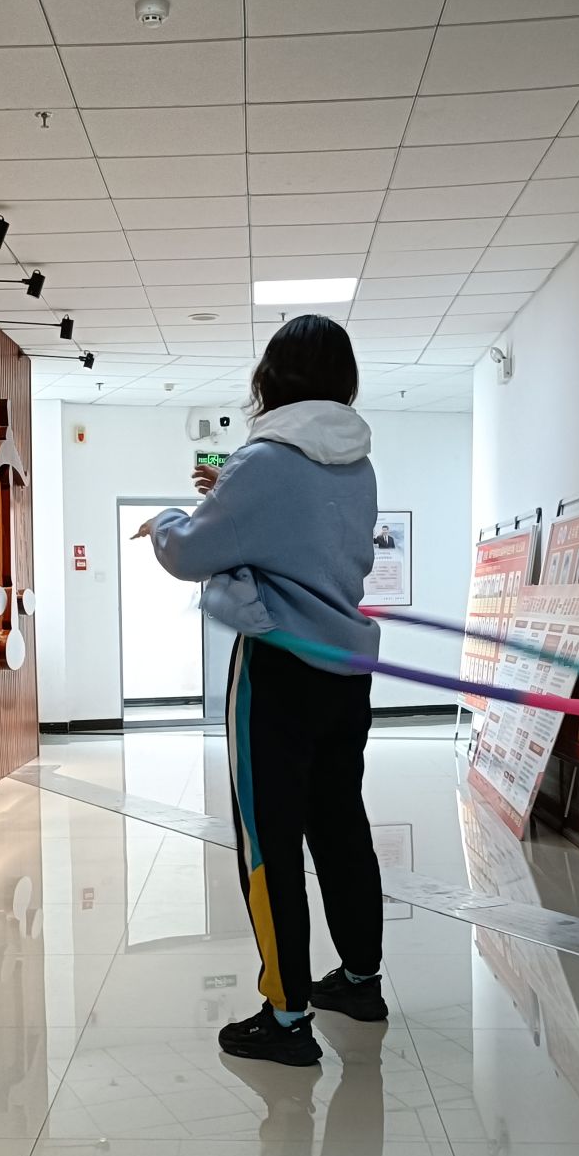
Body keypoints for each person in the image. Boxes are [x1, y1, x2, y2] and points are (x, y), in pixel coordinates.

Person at [131, 314, 388, 1066]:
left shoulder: (264, 460)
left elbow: (191, 551)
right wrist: (230, 495)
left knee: (268, 840)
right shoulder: (360, 465)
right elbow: (302, 532)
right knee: (340, 826)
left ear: (270, 379)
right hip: (347, 672)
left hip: (279, 667)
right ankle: (360, 981)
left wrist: (168, 518)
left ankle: (285, 1017)